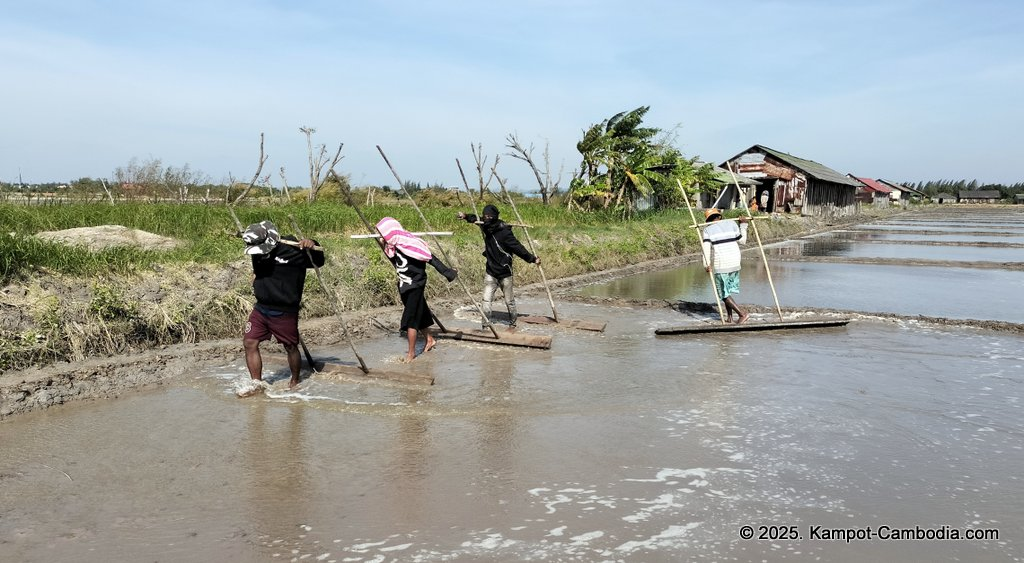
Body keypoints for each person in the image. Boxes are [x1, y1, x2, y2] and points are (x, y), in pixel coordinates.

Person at [241, 220, 325, 388]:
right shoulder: (256, 250)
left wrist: (313, 243)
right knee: (249, 342)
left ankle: (295, 381)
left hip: (284, 310)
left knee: (290, 346)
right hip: (261, 308)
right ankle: (256, 383)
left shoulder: (293, 250)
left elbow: (319, 260)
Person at [376, 217, 458, 362]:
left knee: (411, 319)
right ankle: (430, 339)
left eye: (383, 234)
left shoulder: (411, 244)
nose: (382, 236)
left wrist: (448, 273)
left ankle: (411, 353)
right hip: (404, 285)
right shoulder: (393, 246)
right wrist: (382, 244)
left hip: (415, 285)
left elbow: (431, 259)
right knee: (421, 312)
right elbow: (393, 260)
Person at [456, 204, 540, 329]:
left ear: (495, 216)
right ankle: (486, 325)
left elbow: (518, 248)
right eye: (485, 215)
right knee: (486, 300)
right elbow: (475, 218)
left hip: (505, 272)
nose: (487, 218)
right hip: (490, 271)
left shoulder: (505, 232)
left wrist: (533, 259)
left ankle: (513, 323)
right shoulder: (485, 225)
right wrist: (465, 216)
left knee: (509, 301)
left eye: (490, 216)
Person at [701, 209, 750, 324]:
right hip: (736, 261)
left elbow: (706, 249)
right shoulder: (732, 223)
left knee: (723, 293)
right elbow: (742, 241)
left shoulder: (707, 230)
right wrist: (743, 225)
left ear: (708, 220)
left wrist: (706, 264)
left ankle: (742, 314)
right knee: (726, 291)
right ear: (720, 217)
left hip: (722, 263)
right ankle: (730, 317)